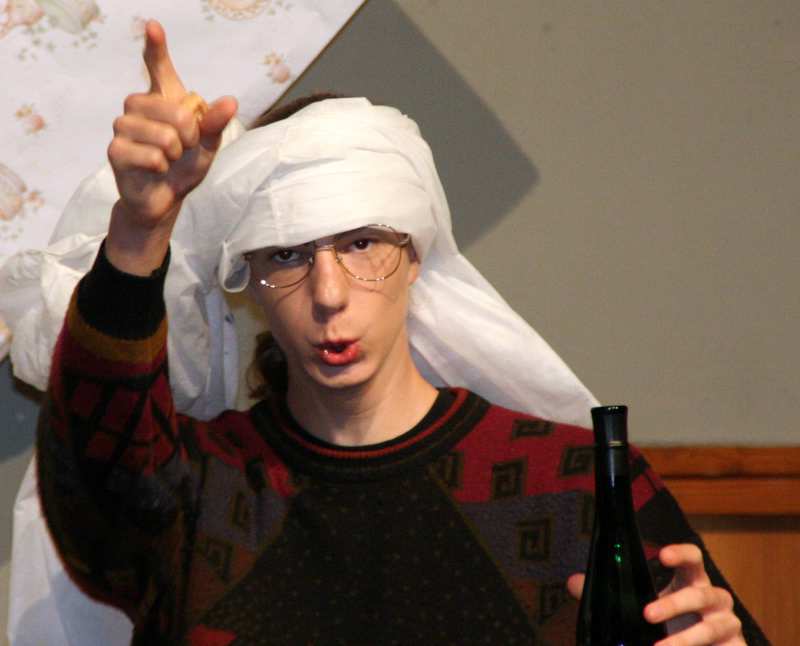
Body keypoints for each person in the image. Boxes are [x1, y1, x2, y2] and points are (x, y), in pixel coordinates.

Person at [32, 19, 764, 645]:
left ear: (416, 256)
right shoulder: (197, 494)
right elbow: (98, 457)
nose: (328, 294)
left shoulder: (573, 489)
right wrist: (140, 233)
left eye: (362, 244)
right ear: (246, 279)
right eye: (286, 255)